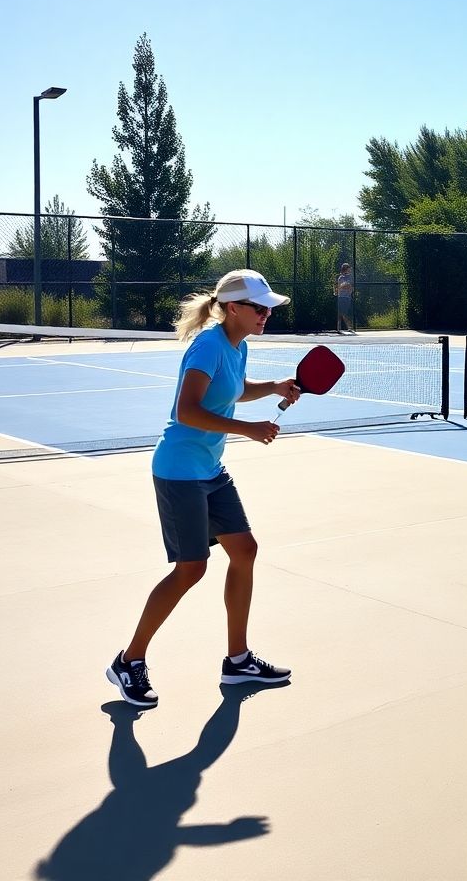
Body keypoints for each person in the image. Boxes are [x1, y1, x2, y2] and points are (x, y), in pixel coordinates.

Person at [106, 269, 302, 709]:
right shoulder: (208, 345)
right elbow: (188, 411)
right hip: (179, 471)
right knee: (191, 569)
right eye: (258, 307)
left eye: (267, 307)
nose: (266, 314)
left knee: (245, 550)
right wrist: (247, 429)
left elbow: (231, 390)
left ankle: (237, 661)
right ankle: (128, 660)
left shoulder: (237, 346)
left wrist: (272, 387)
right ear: (233, 308)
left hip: (209, 469)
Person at [334, 262, 354, 334]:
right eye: (348, 268)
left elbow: (350, 287)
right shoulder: (340, 277)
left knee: (345, 312)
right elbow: (339, 287)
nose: (349, 269)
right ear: (345, 269)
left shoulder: (350, 277)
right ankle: (339, 328)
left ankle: (349, 327)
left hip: (347, 297)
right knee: (340, 313)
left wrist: (345, 287)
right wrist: (342, 287)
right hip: (341, 297)